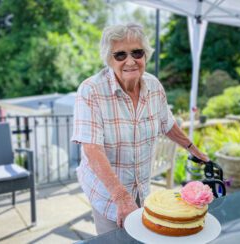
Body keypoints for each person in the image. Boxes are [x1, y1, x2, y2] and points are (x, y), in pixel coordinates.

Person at [71, 23, 209, 235]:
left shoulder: (154, 86)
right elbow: (92, 149)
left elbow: (167, 123)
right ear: (109, 59)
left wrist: (192, 148)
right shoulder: (91, 90)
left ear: (145, 55)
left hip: (143, 188)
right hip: (110, 196)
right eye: (120, 55)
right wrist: (122, 198)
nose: (130, 61)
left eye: (137, 52)